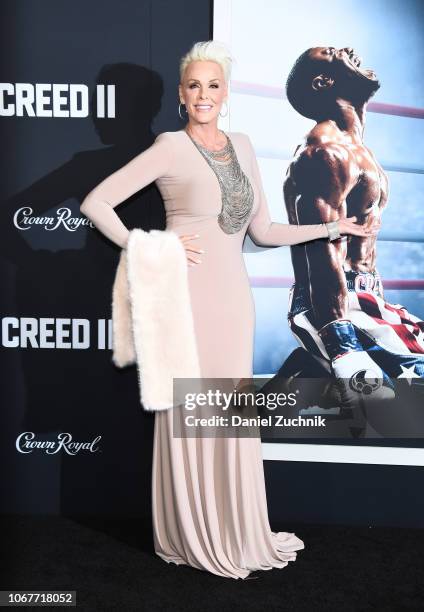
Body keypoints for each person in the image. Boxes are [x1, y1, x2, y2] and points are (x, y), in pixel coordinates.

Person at [80, 41, 374, 580]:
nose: (204, 95)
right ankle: (191, 532)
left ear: (226, 92)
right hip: (185, 292)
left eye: (213, 85)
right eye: (194, 86)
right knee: (189, 411)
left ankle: (234, 527)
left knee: (231, 413)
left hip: (232, 296)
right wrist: (147, 244)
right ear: (180, 95)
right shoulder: (168, 146)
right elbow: (96, 202)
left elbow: (261, 232)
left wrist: (334, 227)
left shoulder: (241, 143)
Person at [283, 46, 424, 407]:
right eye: (332, 53)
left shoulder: (358, 149)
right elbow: (323, 248)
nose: (348, 51)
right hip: (333, 305)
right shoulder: (325, 151)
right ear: (323, 81)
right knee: (402, 405)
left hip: (367, 299)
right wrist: (340, 341)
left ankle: (304, 375)